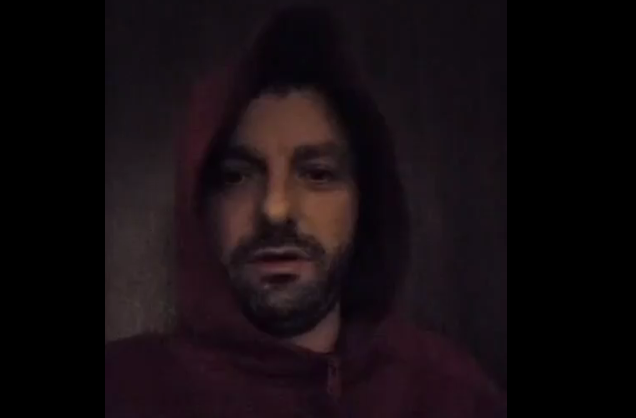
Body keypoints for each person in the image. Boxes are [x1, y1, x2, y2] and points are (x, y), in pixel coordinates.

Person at [105, 5, 506, 417]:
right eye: (237, 177)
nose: (275, 209)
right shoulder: (123, 391)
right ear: (199, 205)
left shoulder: (449, 395)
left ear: (364, 201)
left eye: (317, 174)